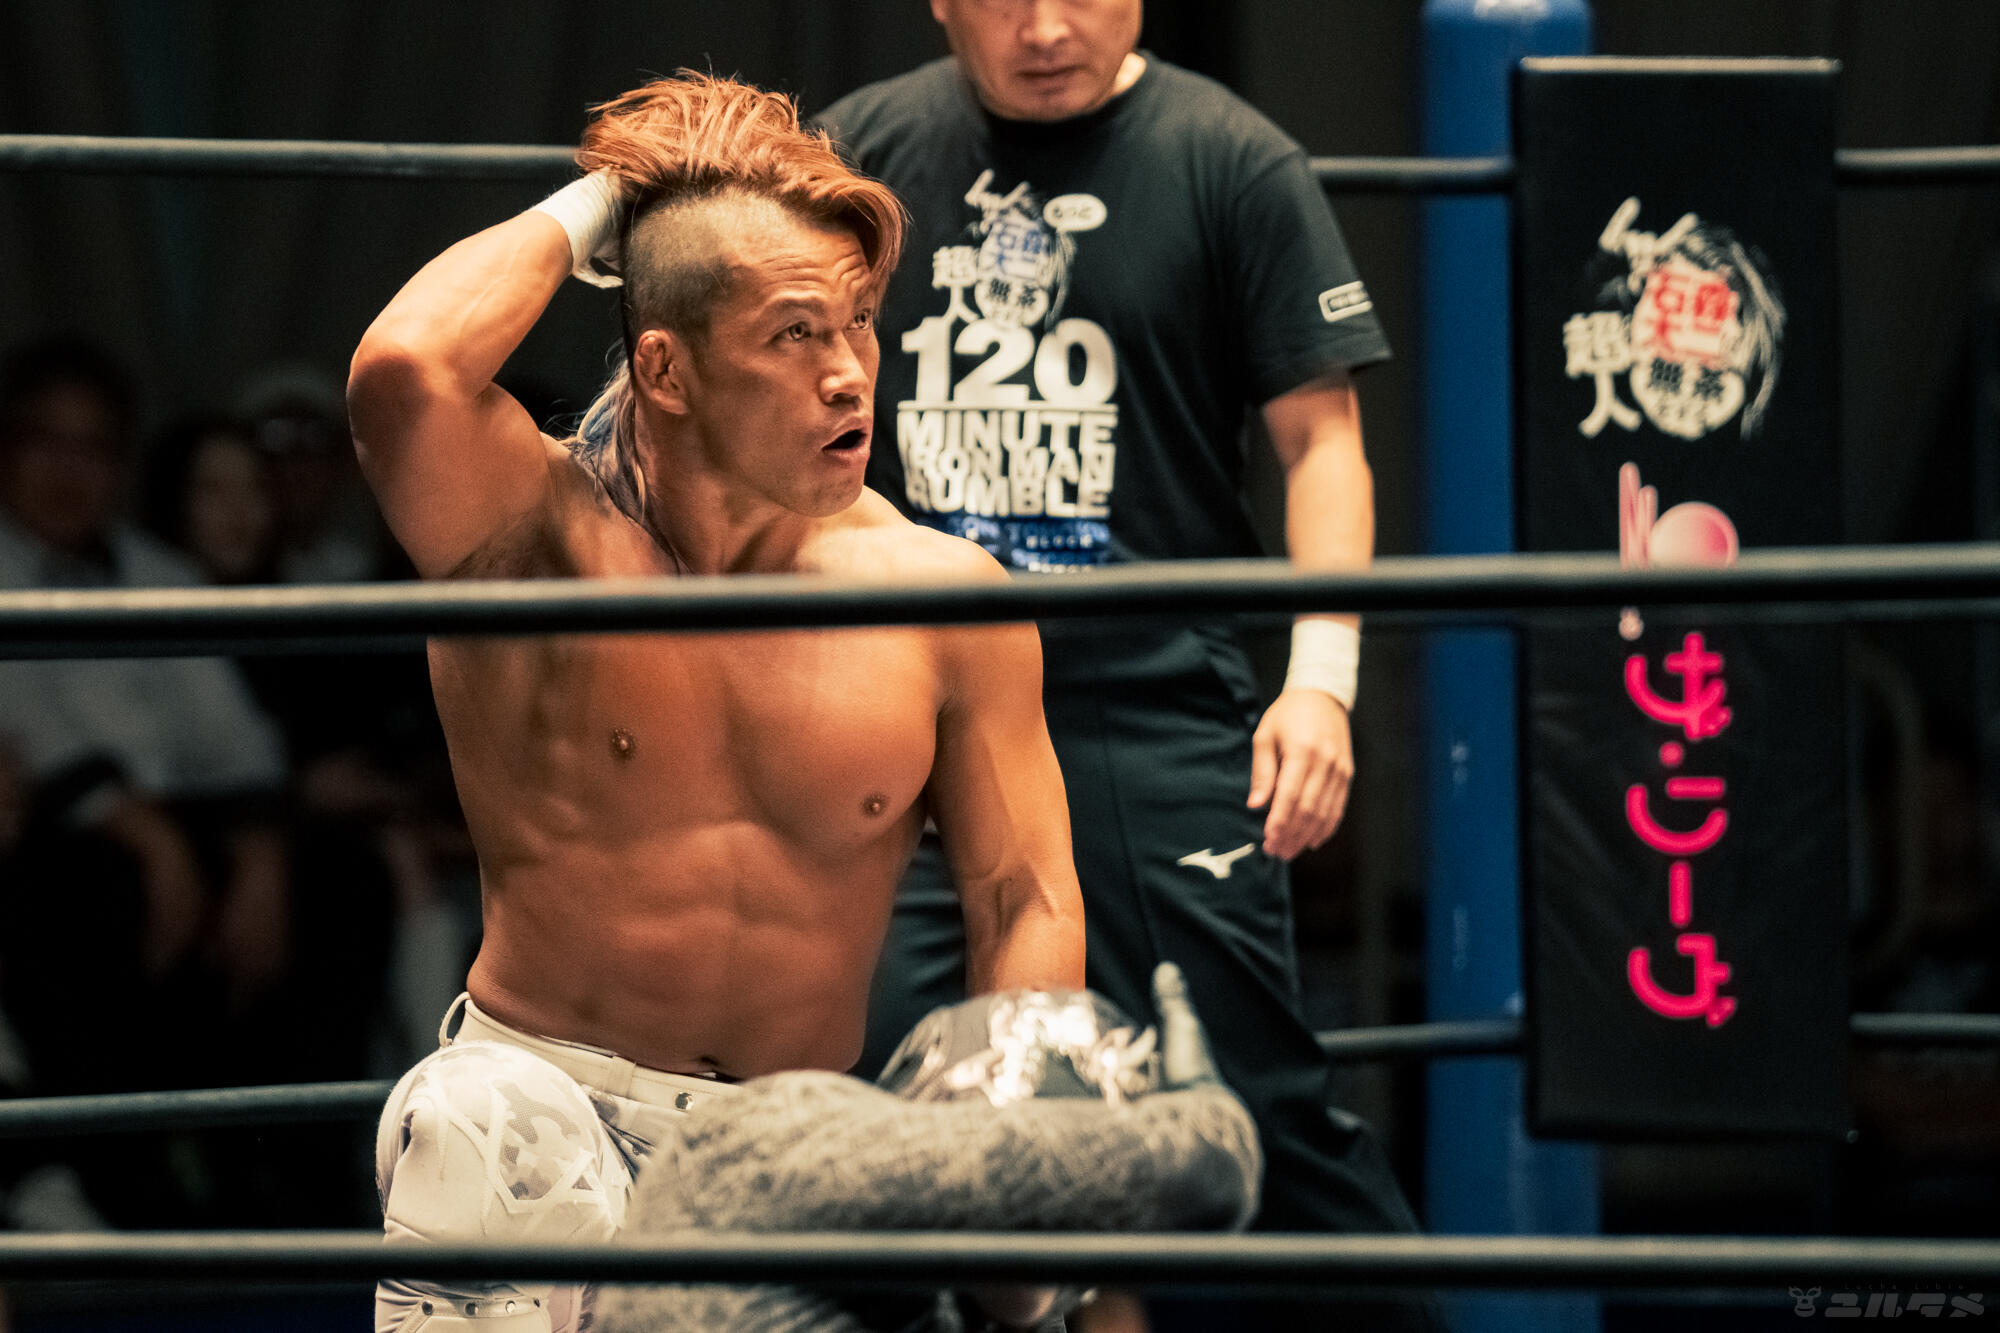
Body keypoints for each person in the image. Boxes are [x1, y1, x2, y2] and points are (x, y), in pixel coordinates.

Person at [350, 72, 1086, 1333]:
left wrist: (1007, 1130)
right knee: (475, 1116)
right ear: (666, 368)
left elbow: (1023, 893)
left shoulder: (937, 596)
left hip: (791, 1148)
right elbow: (407, 368)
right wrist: (614, 202)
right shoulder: (524, 536)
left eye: (860, 323)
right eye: (794, 334)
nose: (849, 375)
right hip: (543, 1107)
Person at [819, 4, 1445, 1328]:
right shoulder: (859, 153)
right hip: (912, 706)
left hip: (1145, 704)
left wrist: (1320, 677)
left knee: (1250, 1103)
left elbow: (1323, 443)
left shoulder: (1230, 158)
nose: (1047, 29)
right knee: (880, 1108)